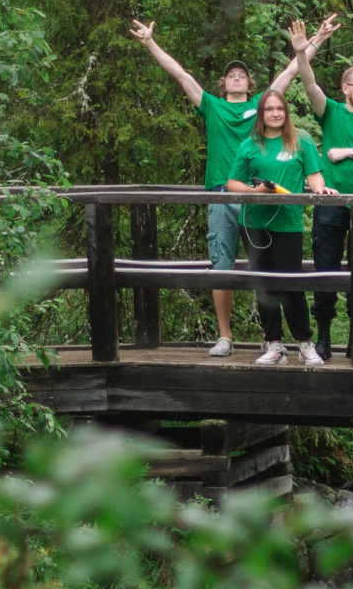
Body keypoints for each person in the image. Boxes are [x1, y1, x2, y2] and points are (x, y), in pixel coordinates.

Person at [129, 18, 304, 358]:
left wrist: (315, 42)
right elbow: (180, 74)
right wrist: (150, 42)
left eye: (242, 75)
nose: (236, 78)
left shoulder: (262, 107)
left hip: (257, 198)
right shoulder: (211, 106)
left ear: (250, 83)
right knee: (222, 264)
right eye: (231, 75)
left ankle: (272, 339)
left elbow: (291, 71)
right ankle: (225, 336)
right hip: (222, 194)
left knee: (265, 268)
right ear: (223, 83)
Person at [289, 15, 353, 362]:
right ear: (345, 88)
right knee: (327, 269)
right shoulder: (330, 111)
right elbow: (309, 84)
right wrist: (301, 52)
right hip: (331, 202)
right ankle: (324, 337)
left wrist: (348, 152)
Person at [226, 90, 338, 365]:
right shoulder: (250, 144)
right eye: (269, 109)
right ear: (261, 114)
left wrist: (321, 189)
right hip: (254, 224)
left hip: (288, 223)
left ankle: (304, 343)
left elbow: (314, 176)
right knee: (264, 286)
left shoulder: (301, 140)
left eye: (279, 108)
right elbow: (233, 183)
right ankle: (274, 344)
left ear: (286, 112)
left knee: (291, 284)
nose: (275, 113)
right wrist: (257, 191)